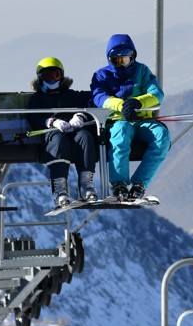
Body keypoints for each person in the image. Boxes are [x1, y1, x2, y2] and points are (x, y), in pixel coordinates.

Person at [90, 33, 169, 200]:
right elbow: (99, 97)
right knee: (121, 134)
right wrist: (119, 105)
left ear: (132, 57)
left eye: (125, 59)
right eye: (116, 61)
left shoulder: (141, 71)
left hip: (142, 120)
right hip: (118, 121)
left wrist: (137, 103)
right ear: (109, 59)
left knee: (161, 136)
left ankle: (140, 183)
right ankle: (119, 184)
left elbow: (157, 93)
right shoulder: (102, 75)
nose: (121, 65)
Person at [28, 56, 100, 209]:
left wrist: (80, 115)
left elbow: (89, 103)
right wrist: (52, 122)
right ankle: (60, 190)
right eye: (48, 76)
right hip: (52, 134)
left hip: (73, 131)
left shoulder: (71, 95)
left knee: (85, 137)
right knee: (59, 140)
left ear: (62, 76)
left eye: (56, 75)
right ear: (40, 78)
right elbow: (33, 118)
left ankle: (85, 185)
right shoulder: (37, 99)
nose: (52, 80)